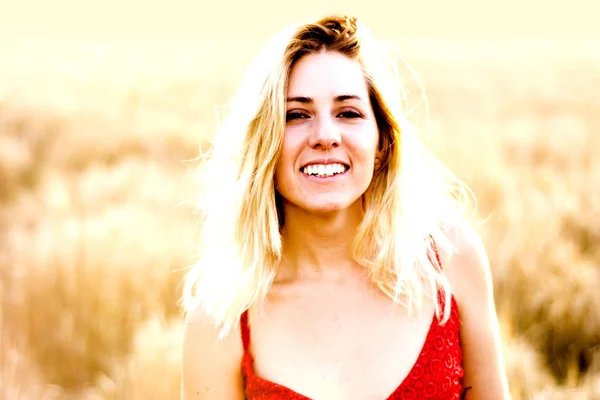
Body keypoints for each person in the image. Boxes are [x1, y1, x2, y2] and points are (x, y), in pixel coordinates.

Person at [180, 15, 510, 400]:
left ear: (383, 142)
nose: (324, 136)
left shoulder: (451, 261)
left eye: (348, 113)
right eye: (297, 115)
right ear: (264, 142)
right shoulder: (220, 321)